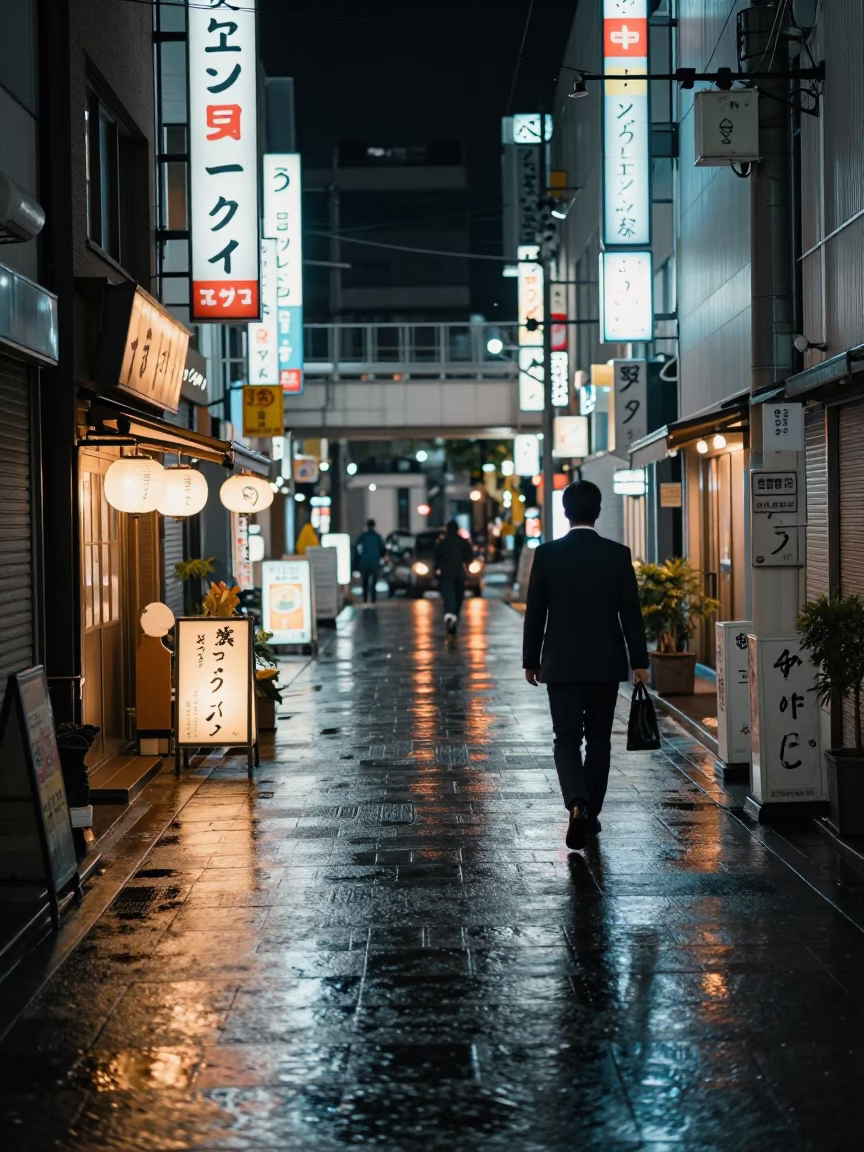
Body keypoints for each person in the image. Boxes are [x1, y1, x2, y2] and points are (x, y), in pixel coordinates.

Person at [522, 480, 649, 851]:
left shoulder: (547, 554)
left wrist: (531, 660)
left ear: (565, 512)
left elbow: (535, 612)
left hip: (560, 664)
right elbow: (631, 613)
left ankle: (576, 803)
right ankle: (591, 814)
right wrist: (639, 662)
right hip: (605, 664)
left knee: (565, 738)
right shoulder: (617, 555)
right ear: (598, 512)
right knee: (598, 741)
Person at [434, 520, 473, 634]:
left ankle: (449, 616)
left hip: (446, 574)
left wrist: (436, 570)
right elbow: (469, 557)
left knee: (448, 597)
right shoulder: (462, 542)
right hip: (459, 573)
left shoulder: (442, 543)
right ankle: (455, 616)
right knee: (458, 597)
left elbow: (436, 558)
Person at [354, 519, 385, 605]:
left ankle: (365, 600)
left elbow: (356, 546)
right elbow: (383, 548)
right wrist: (379, 556)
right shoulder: (377, 536)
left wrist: (359, 556)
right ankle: (373, 601)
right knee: (374, 583)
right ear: (374, 526)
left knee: (365, 582)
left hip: (365, 562)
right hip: (375, 562)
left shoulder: (364, 536)